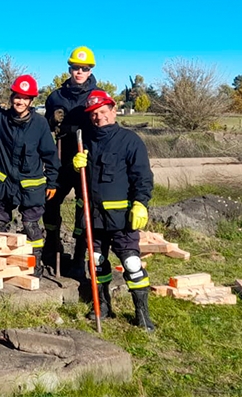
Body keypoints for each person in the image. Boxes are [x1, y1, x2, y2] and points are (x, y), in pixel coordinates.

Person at [72, 89, 155, 331]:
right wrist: (76, 168)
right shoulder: (84, 141)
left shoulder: (130, 141)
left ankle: (142, 315)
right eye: (94, 114)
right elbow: (81, 182)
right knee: (97, 263)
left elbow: (143, 177)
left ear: (113, 111)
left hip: (122, 219)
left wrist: (141, 203)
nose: (98, 117)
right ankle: (103, 306)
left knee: (131, 264)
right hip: (94, 217)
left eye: (102, 112)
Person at [0, 75, 60, 277]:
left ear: (31, 101)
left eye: (25, 98)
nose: (20, 102)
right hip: (5, 186)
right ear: (11, 98)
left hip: (31, 190)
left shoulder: (40, 124)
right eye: (17, 97)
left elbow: (50, 156)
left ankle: (35, 265)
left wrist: (52, 181)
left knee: (30, 225)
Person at [43, 46, 99, 278]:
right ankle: (51, 247)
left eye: (84, 69)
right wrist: (54, 122)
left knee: (83, 210)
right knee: (50, 202)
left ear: (90, 70)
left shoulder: (97, 96)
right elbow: (46, 129)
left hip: (86, 162)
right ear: (70, 69)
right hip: (61, 159)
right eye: (76, 68)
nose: (79, 72)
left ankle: (79, 256)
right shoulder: (56, 96)